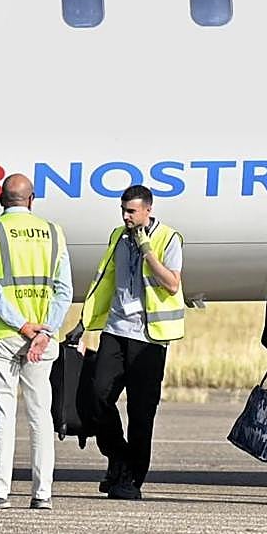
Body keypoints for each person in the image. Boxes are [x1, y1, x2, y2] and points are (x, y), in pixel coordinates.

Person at [0, 173, 72, 510]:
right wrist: (45, 331)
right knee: (41, 415)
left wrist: (24, 326)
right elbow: (64, 291)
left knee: (2, 412)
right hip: (42, 339)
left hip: (4, 334)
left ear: (0, 198)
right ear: (32, 199)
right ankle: (43, 493)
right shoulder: (53, 232)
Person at [80, 185, 184, 501]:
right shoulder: (118, 237)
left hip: (149, 337)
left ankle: (132, 479)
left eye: (132, 211)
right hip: (116, 329)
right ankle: (118, 456)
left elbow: (172, 284)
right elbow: (105, 281)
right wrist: (84, 323)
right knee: (96, 396)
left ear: (148, 210)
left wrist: (148, 250)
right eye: (123, 211)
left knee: (141, 412)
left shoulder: (168, 238)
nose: (126, 217)